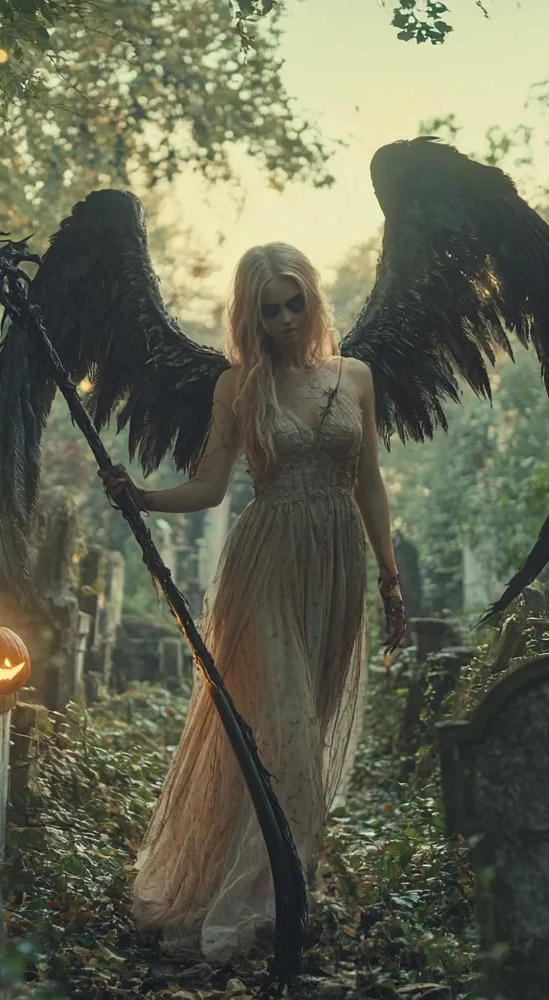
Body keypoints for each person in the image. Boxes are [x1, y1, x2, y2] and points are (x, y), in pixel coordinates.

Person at [100, 241, 406, 961]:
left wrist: (391, 581)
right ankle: (268, 908)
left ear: (314, 297)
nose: (286, 319)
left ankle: (275, 897)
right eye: (269, 310)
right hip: (265, 567)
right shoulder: (238, 388)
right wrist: (140, 497)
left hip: (335, 573)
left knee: (305, 728)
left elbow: (370, 488)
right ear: (251, 315)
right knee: (289, 744)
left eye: (295, 302)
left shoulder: (356, 377)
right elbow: (209, 487)